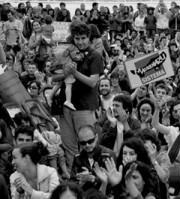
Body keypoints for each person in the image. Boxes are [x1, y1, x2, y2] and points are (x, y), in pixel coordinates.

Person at [59, 21, 104, 168]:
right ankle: (75, 177)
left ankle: (91, 176)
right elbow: (56, 76)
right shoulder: (68, 53)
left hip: (84, 106)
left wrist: (74, 72)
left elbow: (92, 82)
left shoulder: (95, 56)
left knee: (88, 143)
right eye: (77, 38)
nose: (80, 42)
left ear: (89, 37)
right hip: (64, 105)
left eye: (83, 38)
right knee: (69, 145)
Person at [70, 125, 115, 194]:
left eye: (90, 141)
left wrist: (93, 179)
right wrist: (81, 181)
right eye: (83, 143)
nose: (87, 145)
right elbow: (72, 183)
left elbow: (114, 180)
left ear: (96, 137)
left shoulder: (108, 155)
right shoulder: (77, 158)